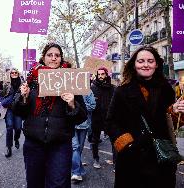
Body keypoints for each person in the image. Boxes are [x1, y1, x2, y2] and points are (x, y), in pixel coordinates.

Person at [106, 45, 184, 188]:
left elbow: (169, 122)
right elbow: (111, 122)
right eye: (141, 61)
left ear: (156, 65)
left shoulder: (166, 89)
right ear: (134, 65)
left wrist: (175, 111)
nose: (146, 64)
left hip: (161, 158)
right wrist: (127, 144)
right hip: (131, 159)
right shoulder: (122, 91)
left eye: (150, 61)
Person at [12, 43, 87, 188]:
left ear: (61, 58)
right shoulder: (31, 80)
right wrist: (24, 98)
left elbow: (81, 117)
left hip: (60, 144)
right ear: (43, 58)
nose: (53, 58)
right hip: (34, 143)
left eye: (57, 55)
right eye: (50, 55)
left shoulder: (70, 79)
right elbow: (18, 112)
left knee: (59, 184)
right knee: (35, 183)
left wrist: (72, 104)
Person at [90, 67, 115, 169]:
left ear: (106, 75)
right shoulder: (92, 88)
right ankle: (96, 159)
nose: (100, 76)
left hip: (109, 118)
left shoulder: (113, 88)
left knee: (114, 140)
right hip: (96, 118)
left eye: (102, 74)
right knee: (95, 140)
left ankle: (115, 162)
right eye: (99, 74)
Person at [71, 90, 96, 182]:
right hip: (71, 124)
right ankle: (76, 173)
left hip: (83, 123)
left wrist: (79, 107)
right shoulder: (67, 88)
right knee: (75, 148)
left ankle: (78, 170)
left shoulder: (87, 91)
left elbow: (92, 105)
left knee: (79, 149)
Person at [1, 68, 23, 158]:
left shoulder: (22, 84)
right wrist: (1, 89)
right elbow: (2, 95)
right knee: (9, 127)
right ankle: (8, 147)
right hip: (9, 109)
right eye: (12, 73)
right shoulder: (6, 84)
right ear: (10, 74)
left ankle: (16, 139)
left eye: (15, 72)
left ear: (18, 73)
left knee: (18, 128)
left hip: (18, 108)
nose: (14, 74)